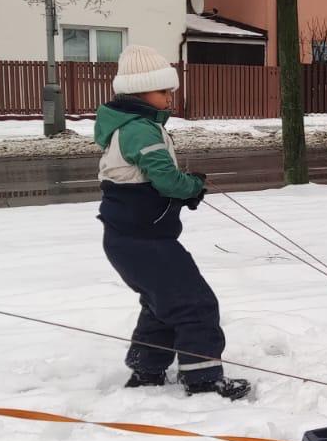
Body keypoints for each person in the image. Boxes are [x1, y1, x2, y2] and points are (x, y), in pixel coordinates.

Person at [94, 44, 250, 400]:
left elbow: (150, 179)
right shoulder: (139, 129)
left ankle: (146, 371)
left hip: (131, 239)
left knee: (162, 305)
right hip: (144, 242)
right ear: (140, 91)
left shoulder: (132, 126)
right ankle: (203, 381)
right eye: (164, 91)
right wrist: (190, 186)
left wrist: (183, 189)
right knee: (195, 304)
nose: (170, 98)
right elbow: (165, 180)